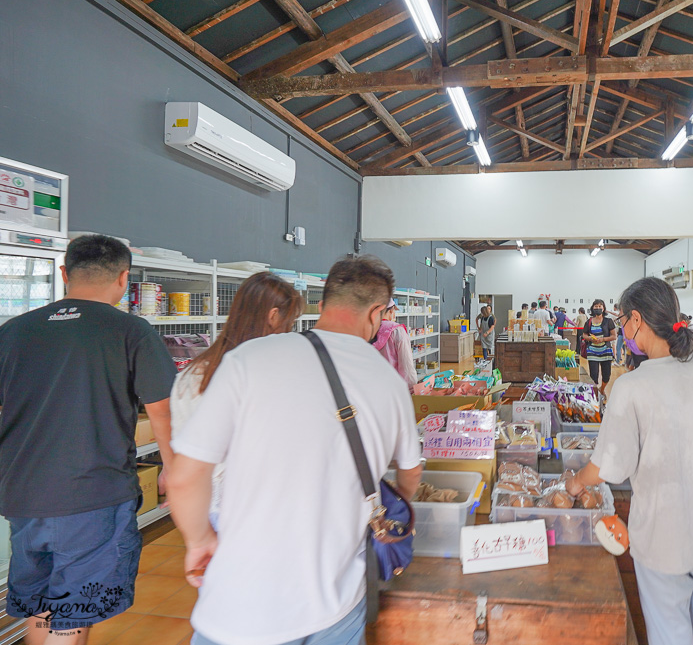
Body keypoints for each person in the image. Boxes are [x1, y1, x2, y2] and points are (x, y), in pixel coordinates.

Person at [168, 255, 422, 645]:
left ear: (322, 305)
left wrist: (199, 540)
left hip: (240, 606)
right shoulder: (388, 382)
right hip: (336, 601)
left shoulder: (246, 361)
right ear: (377, 313)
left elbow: (184, 477)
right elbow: (409, 476)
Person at [0, 234, 177, 644]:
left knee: (40, 602)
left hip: (23, 495)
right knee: (72, 612)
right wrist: (171, 467)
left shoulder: (14, 331)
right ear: (123, 278)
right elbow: (163, 409)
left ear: (64, 274)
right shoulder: (130, 331)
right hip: (90, 496)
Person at [566, 277, 693, 645]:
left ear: (636, 320)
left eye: (622, 320)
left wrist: (575, 483)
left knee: (671, 635)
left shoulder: (632, 386)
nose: (622, 329)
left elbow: (607, 467)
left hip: (665, 533)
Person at [171, 272, 304, 529]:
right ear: (273, 316)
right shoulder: (270, 372)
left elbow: (184, 452)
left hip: (211, 504)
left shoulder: (193, 374)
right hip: (263, 504)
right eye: (291, 320)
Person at [373, 298, 418, 386]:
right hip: (394, 387)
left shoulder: (367, 330)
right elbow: (406, 366)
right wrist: (412, 387)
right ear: (391, 310)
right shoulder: (397, 330)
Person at [582, 299, 616, 397]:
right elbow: (584, 334)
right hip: (592, 352)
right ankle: (595, 394)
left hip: (606, 351)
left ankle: (602, 389)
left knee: (606, 375)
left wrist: (603, 339)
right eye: (596, 307)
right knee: (593, 375)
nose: (598, 308)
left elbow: (614, 336)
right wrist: (590, 338)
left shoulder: (608, 321)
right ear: (592, 308)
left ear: (603, 308)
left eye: (600, 306)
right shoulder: (589, 321)